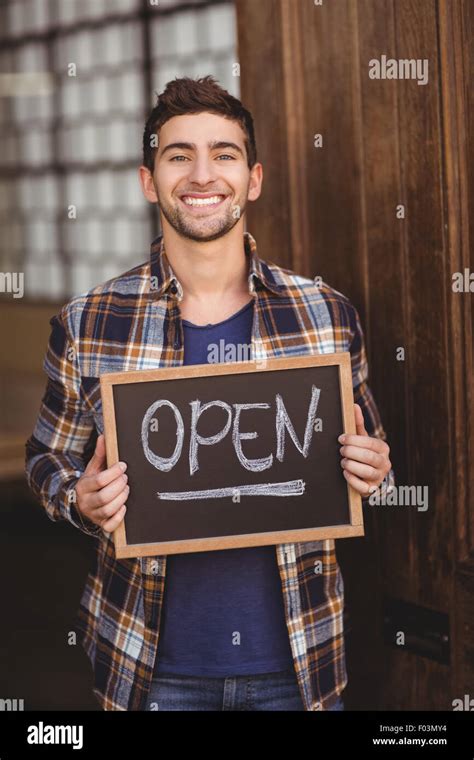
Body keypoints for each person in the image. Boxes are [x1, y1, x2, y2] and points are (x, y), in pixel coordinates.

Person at [25, 75, 394, 711]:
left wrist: (376, 469)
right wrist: (74, 497)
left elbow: (370, 455)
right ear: (149, 181)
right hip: (146, 667)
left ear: (253, 178)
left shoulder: (325, 313)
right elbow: (45, 460)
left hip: (299, 662)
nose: (202, 175)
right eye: (178, 155)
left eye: (223, 154)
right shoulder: (89, 321)